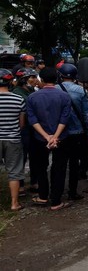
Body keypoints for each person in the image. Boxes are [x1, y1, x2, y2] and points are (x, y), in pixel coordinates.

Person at [27, 67, 73, 211]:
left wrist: (46, 136)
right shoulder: (64, 96)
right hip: (61, 138)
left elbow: (32, 119)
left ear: (41, 79)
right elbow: (64, 118)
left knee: (41, 167)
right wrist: (55, 136)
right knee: (58, 168)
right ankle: (56, 201)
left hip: (40, 139)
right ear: (56, 79)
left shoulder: (32, 97)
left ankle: (42, 196)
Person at [58, 63, 88, 200]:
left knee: (58, 164)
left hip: (58, 134)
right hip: (77, 133)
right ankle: (72, 192)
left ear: (61, 76)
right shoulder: (80, 91)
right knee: (74, 163)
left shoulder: (54, 90)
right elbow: (87, 114)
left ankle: (56, 194)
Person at [0, 68, 27, 211]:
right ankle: (14, 203)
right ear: (10, 81)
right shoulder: (18, 99)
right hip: (13, 139)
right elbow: (21, 124)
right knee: (14, 172)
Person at [12, 68, 38, 194]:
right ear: (24, 80)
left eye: (34, 77)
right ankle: (20, 185)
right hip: (23, 129)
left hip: (33, 128)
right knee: (21, 157)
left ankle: (34, 182)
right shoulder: (18, 92)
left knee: (34, 157)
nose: (34, 80)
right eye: (31, 77)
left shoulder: (31, 90)